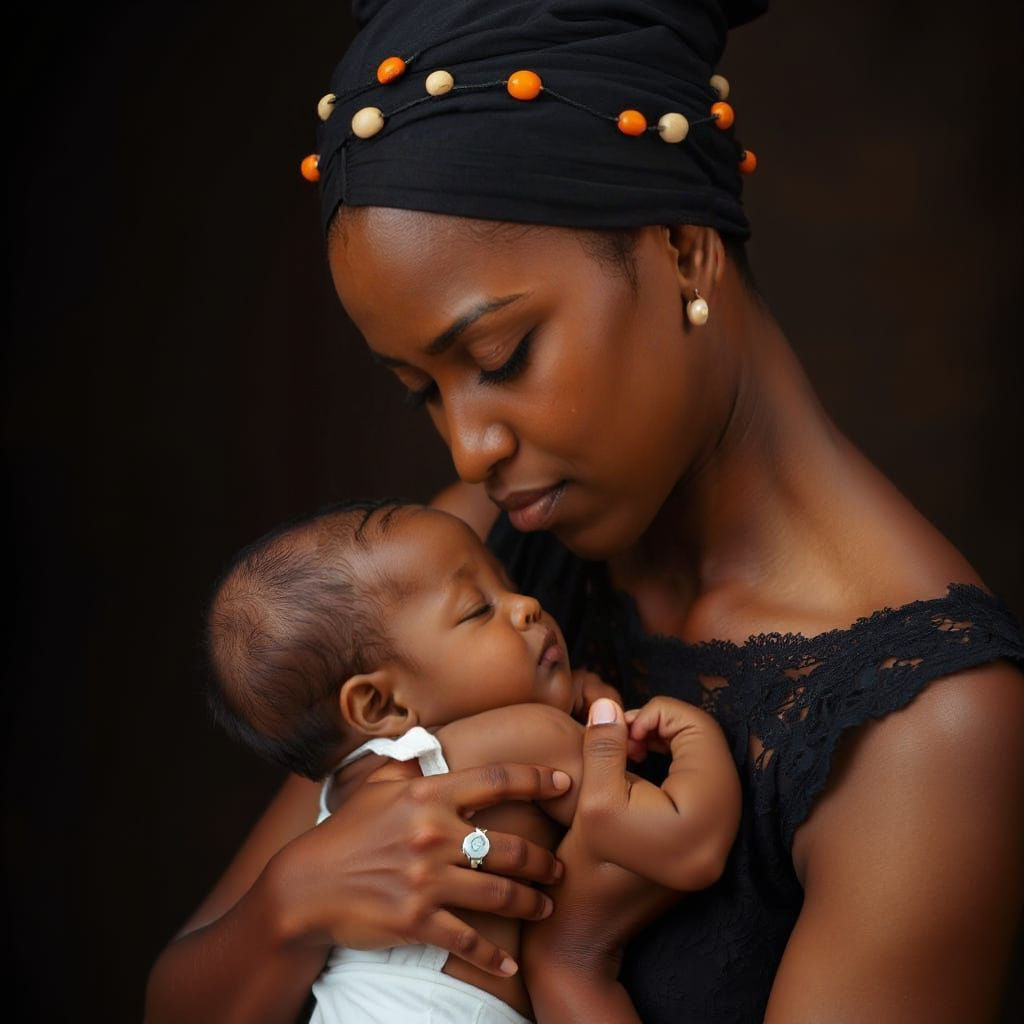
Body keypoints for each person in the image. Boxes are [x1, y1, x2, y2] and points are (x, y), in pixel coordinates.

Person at [146, 2, 1024, 1022]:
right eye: (422, 391)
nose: (470, 447)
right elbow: (184, 997)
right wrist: (291, 906)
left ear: (681, 251)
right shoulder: (478, 548)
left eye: (498, 358)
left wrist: (572, 964)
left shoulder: (928, 732)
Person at [204, 497, 740, 1023]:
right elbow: (688, 845)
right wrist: (698, 735)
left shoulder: (344, 794)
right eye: (479, 609)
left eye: (507, 582)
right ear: (381, 704)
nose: (525, 603)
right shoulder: (531, 735)